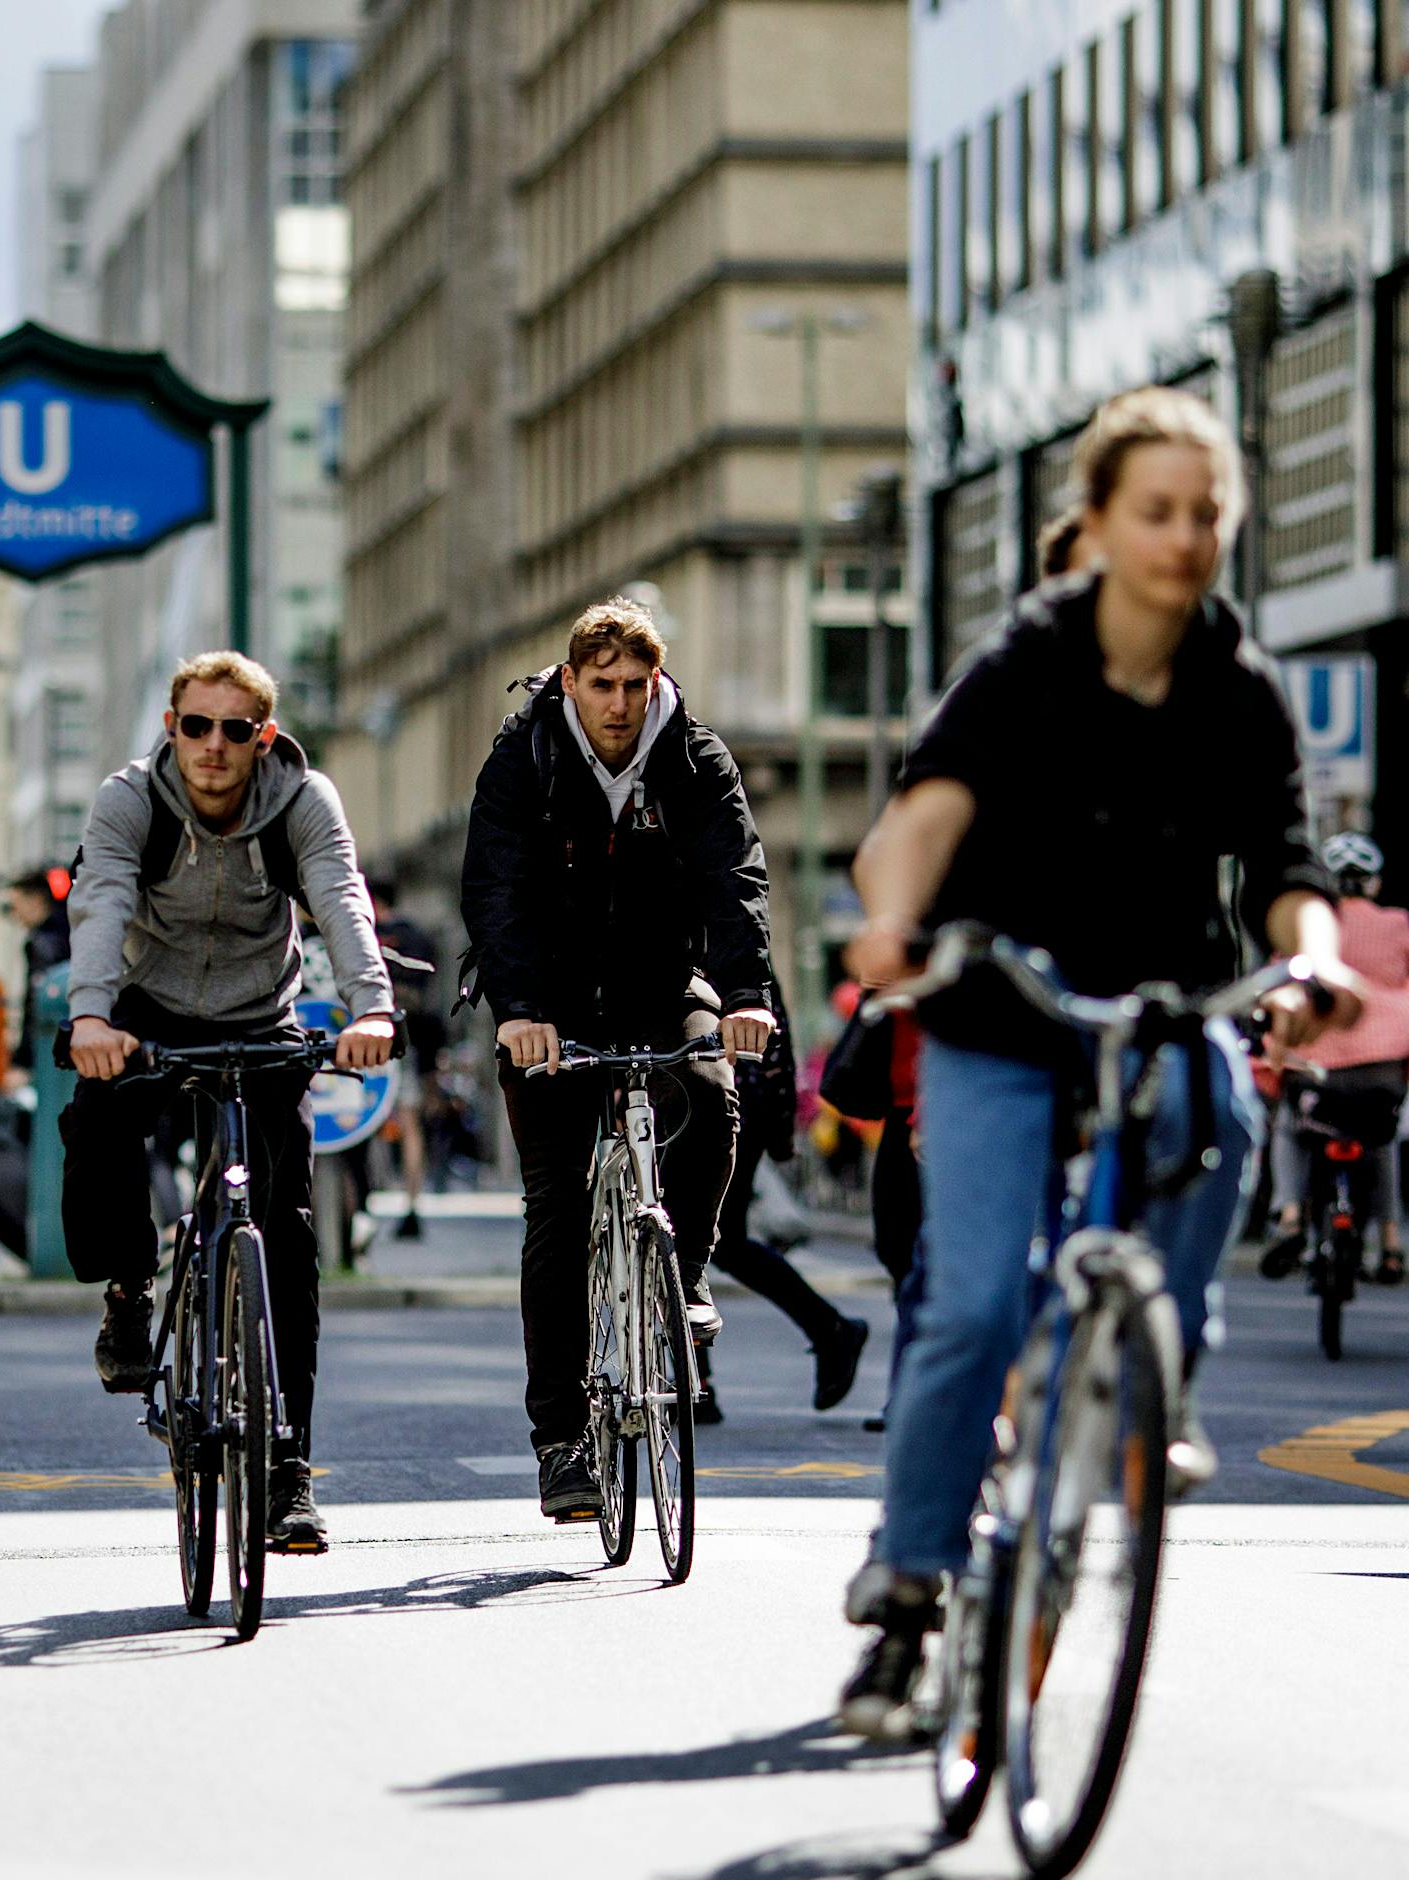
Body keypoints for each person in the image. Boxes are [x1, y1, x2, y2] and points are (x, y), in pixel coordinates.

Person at [835, 385, 1362, 1740]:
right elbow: (924, 812)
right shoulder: (1028, 659)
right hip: (1002, 1006)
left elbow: (1286, 865)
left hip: (1161, 999)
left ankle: (1141, 1378)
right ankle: (908, 1590)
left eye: (1206, 515)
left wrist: (1310, 962)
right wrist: (891, 921)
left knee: (1218, 1101)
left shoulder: (1236, 687)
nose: (1184, 538)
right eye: (1157, 512)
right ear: (1103, 521)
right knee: (969, 1310)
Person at [61, 649, 395, 1554]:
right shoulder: (130, 800)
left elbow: (341, 896)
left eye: (236, 729)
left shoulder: (302, 800)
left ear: (264, 737)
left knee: (285, 1232)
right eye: (197, 726)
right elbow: (100, 903)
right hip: (146, 1007)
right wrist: (92, 1016)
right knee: (97, 1122)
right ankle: (130, 1288)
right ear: (172, 728)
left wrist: (372, 1007)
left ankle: (288, 1473)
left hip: (259, 1012)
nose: (214, 745)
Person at [460, 593, 780, 1521]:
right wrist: (520, 1011)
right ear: (570, 681)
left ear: (656, 682)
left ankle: (685, 1275)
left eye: (637, 685)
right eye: (602, 684)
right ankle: (562, 1442)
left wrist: (746, 995)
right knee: (558, 1208)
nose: (621, 703)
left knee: (713, 1093)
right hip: (548, 1006)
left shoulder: (694, 758)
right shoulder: (524, 757)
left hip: (660, 984)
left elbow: (735, 876)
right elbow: (495, 889)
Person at [695, 1029, 870, 1422]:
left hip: (731, 1101)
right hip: (692, 1097)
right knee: (708, 1241)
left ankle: (697, 1384)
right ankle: (830, 1329)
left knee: (703, 1238)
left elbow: (773, 1027)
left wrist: (782, 1123)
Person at [1261, 832, 1409, 1287]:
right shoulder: (1399, 924)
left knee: (1290, 1126)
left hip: (1315, 1067)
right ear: (1373, 883)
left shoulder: (1306, 923)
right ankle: (1390, 1244)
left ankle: (1289, 1217)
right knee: (1382, 1140)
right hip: (1383, 1068)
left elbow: (1280, 983)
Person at [370, 879, 441, 1240]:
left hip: (367, 1040)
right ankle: (412, 1204)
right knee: (411, 1125)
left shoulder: (364, 933)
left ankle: (360, 1210)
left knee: (359, 1124)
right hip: (408, 1041)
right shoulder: (417, 937)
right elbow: (428, 993)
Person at [4, 866, 72, 1094]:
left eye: (16, 906)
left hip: (49, 1044)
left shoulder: (44, 943)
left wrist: (23, 1060)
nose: (16, 915)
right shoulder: (68, 930)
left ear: (35, 900)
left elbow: (36, 1002)